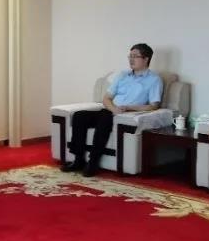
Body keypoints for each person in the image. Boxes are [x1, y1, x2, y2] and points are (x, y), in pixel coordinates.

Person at [62, 43, 163, 177]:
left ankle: (93, 162)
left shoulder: (154, 80)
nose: (131, 59)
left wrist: (129, 107)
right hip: (110, 110)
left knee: (104, 118)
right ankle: (78, 159)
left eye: (135, 56)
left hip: (126, 114)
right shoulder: (123, 75)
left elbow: (154, 105)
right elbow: (106, 98)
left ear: (146, 59)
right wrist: (114, 109)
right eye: (130, 56)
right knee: (79, 116)